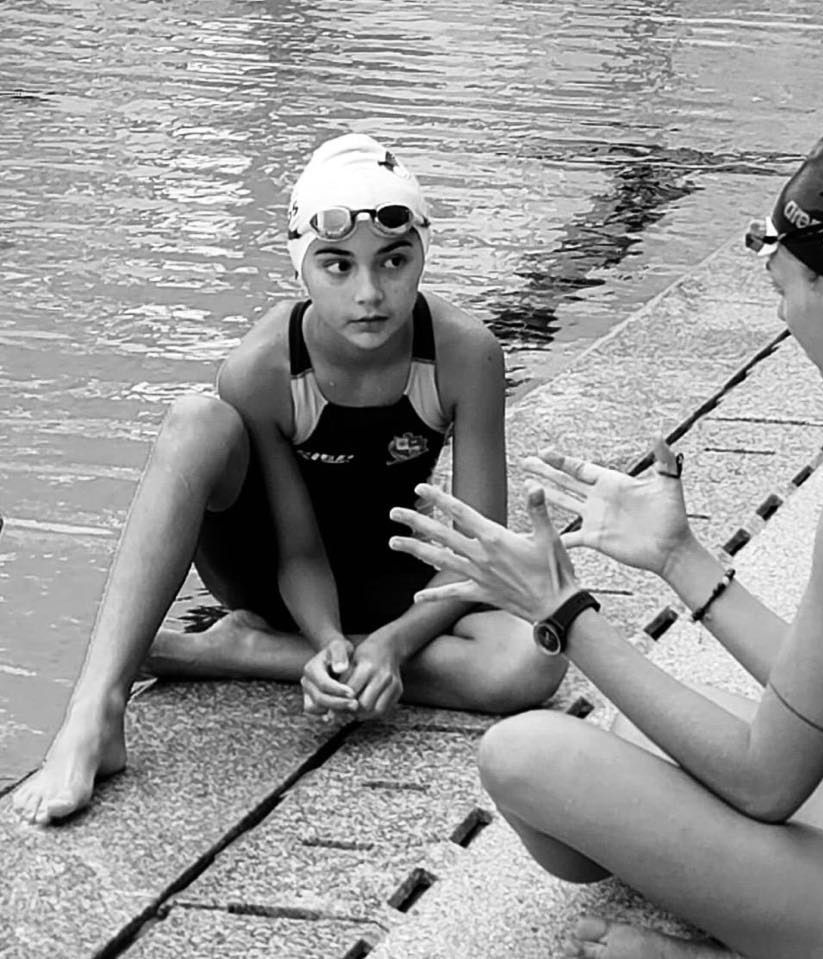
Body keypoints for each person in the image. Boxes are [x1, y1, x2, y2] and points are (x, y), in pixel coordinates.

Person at [388, 122, 823, 958]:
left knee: (526, 755)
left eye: (780, 281)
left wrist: (563, 610)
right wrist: (681, 559)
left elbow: (767, 782)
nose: (779, 309)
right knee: (639, 735)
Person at [13, 133, 566, 826]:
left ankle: (245, 652)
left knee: (533, 662)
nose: (370, 293)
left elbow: (477, 552)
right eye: (337, 266)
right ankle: (95, 712)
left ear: (422, 252)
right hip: (277, 574)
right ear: (301, 268)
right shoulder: (264, 368)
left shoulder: (465, 355)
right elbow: (298, 550)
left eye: (394, 261)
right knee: (196, 421)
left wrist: (391, 644)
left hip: (397, 581)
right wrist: (330, 636)